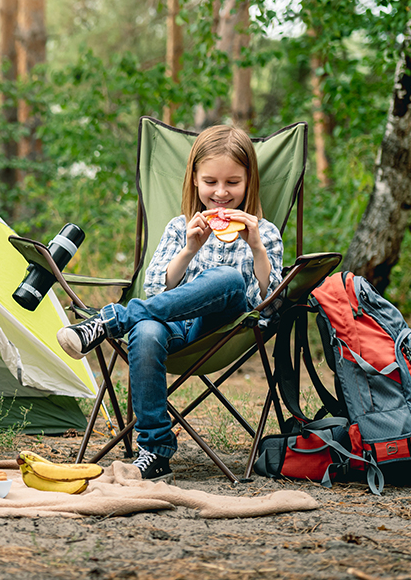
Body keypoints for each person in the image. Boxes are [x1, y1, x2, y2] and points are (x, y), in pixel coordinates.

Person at [56, 125, 283, 483]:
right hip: (176, 326)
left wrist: (255, 246)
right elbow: (154, 288)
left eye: (232, 183)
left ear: (249, 182)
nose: (221, 193)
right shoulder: (180, 228)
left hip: (225, 327)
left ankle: (107, 321)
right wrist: (190, 249)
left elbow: (266, 302)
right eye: (210, 182)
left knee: (227, 278)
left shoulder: (263, 232)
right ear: (194, 180)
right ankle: (155, 451)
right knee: (145, 330)